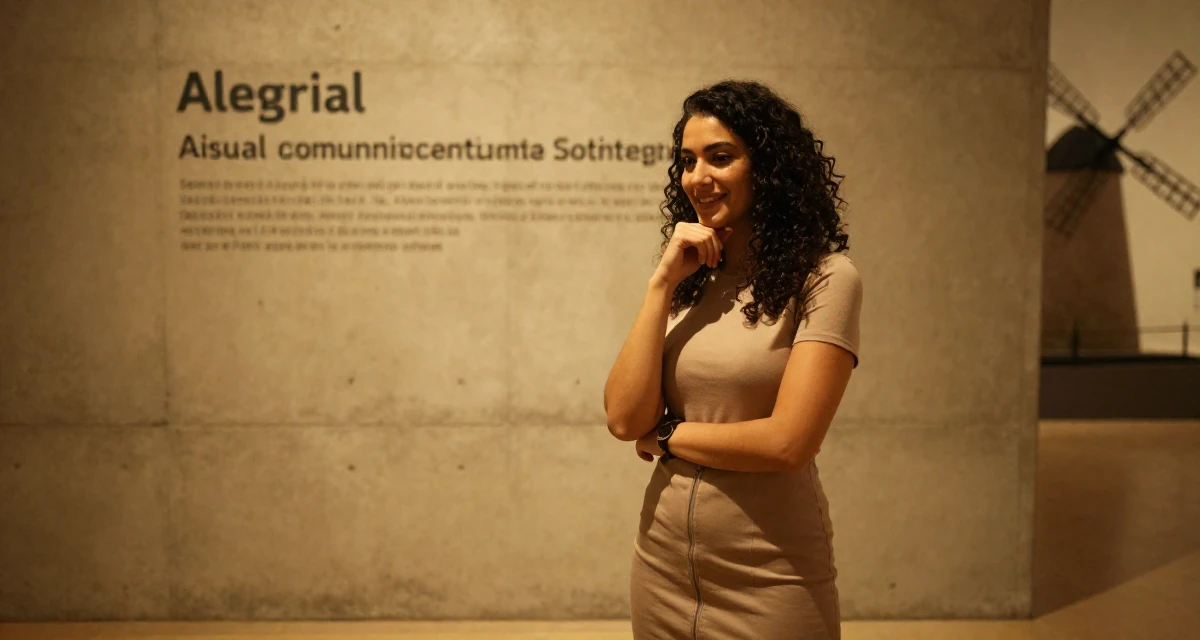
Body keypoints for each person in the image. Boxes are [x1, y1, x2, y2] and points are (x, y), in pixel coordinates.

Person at [602, 80, 862, 640]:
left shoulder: (824, 279)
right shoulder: (690, 281)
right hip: (661, 568)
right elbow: (624, 419)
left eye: (720, 157)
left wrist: (667, 436)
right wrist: (661, 284)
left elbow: (789, 442)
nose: (698, 177)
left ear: (767, 167)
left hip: (770, 576)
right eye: (688, 161)